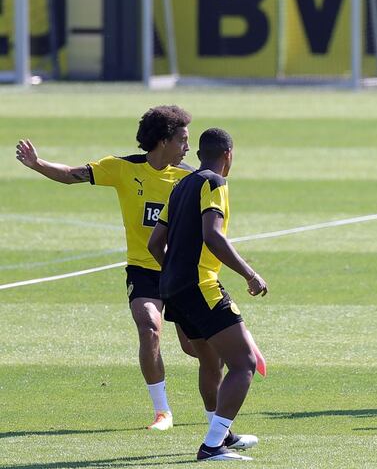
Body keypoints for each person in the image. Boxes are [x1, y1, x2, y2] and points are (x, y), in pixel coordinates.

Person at [15, 106, 194, 430]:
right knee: (149, 327)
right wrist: (37, 164)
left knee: (195, 346)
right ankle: (163, 411)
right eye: (182, 139)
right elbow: (72, 174)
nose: (187, 147)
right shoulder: (121, 168)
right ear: (163, 140)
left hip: (180, 270)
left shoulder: (188, 178)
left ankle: (234, 361)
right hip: (143, 270)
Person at [148, 127, 268, 462]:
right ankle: (212, 444)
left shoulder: (181, 185)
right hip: (201, 285)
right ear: (228, 154)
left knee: (211, 360)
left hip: (173, 288)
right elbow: (213, 235)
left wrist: (174, 273)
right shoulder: (214, 183)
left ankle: (222, 435)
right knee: (243, 363)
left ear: (199, 154)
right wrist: (250, 273)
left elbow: (155, 243)